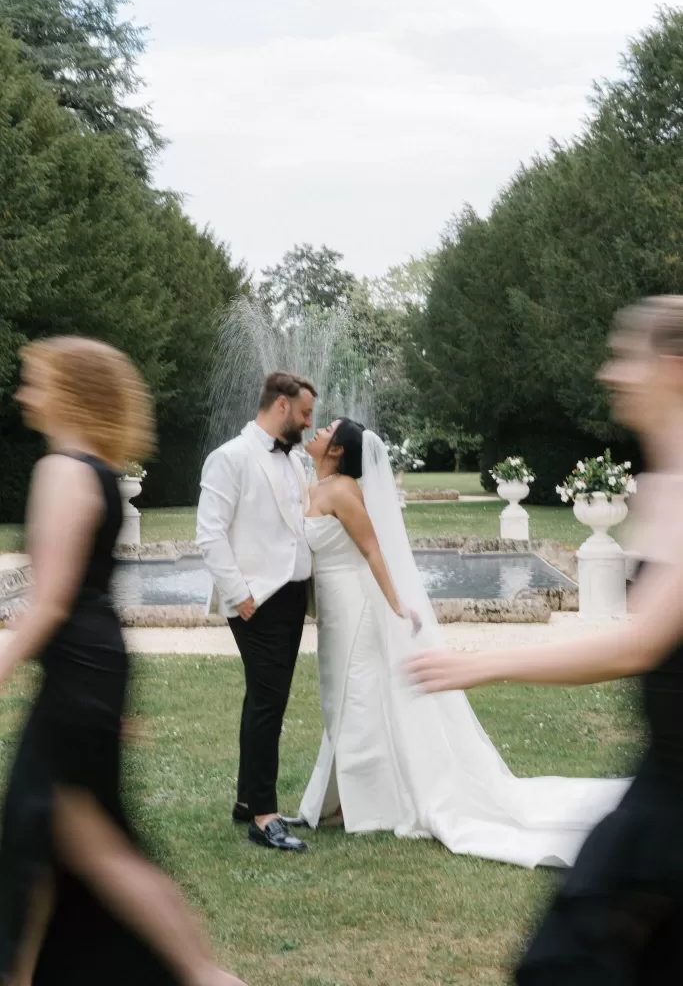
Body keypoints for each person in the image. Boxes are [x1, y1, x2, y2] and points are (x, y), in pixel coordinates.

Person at [408, 295, 683, 981]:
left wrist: (483, 665)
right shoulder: (664, 485)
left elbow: (636, 644)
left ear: (673, 365)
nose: (609, 373)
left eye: (626, 355)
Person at [0, 336, 245, 986]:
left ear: (70, 392)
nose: (25, 393)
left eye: (35, 381)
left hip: (79, 672)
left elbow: (51, 602)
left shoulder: (62, 470)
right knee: (85, 843)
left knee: (77, 843)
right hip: (92, 671)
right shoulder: (101, 473)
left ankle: (202, 975)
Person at [299, 419, 627, 866]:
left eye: (327, 428)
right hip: (332, 609)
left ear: (337, 450)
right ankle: (343, 795)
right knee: (337, 695)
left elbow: (374, 550)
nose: (316, 430)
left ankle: (365, 802)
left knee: (356, 695)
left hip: (356, 606)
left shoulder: (342, 491)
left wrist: (397, 605)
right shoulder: (313, 485)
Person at [197, 371, 316, 852]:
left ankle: (249, 800)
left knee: (267, 699)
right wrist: (239, 593)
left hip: (291, 594)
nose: (310, 423)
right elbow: (209, 533)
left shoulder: (295, 461)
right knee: (268, 703)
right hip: (255, 600)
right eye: (305, 413)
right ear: (282, 406)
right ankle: (264, 817)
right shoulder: (230, 457)